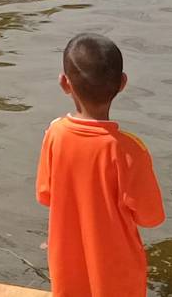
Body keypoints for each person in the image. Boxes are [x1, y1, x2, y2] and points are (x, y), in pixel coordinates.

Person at [37, 33, 164, 296]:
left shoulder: (55, 134)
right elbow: (151, 217)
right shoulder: (130, 150)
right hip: (118, 276)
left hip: (67, 271)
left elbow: (45, 195)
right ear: (122, 83)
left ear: (65, 83)